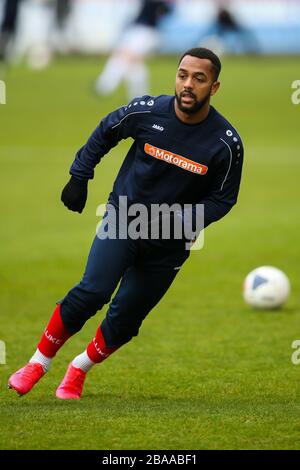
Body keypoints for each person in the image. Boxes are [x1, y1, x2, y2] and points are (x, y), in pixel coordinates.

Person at [8, 47, 244, 400]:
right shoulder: (146, 111)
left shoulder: (226, 144)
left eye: (199, 78)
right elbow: (106, 131)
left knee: (124, 321)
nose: (188, 84)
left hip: (171, 240)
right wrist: (79, 177)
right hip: (125, 221)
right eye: (183, 75)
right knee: (93, 291)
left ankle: (78, 369)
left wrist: (179, 221)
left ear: (214, 86)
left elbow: (223, 198)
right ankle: (38, 362)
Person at [94, 0, 173, 100]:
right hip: (140, 31)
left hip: (145, 32)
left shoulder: (158, 4)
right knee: (133, 64)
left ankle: (105, 86)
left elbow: (165, 12)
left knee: (125, 57)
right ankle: (138, 96)